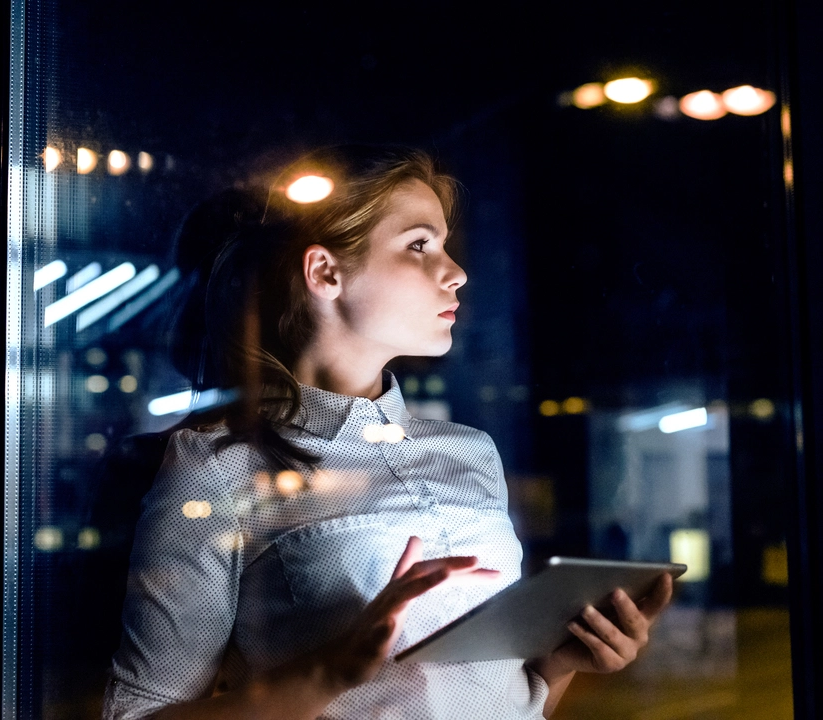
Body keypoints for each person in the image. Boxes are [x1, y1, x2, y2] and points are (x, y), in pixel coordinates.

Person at [102, 145, 673, 720]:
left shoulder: (471, 452)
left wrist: (561, 663)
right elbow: (137, 715)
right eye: (419, 245)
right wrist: (330, 672)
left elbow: (504, 699)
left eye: (444, 245)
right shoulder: (217, 469)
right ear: (325, 272)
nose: (457, 272)